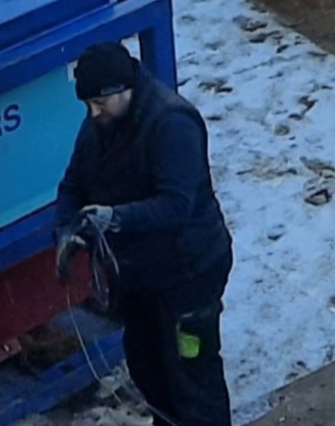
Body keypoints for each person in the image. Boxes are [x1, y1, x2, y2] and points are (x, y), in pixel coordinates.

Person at [56, 40, 234, 426]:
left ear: (125, 89)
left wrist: (114, 217)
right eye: (88, 105)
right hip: (140, 278)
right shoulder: (101, 122)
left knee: (192, 379)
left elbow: (175, 206)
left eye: (100, 104)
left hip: (190, 274)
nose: (92, 113)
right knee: (148, 370)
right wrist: (67, 230)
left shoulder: (172, 125)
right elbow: (73, 184)